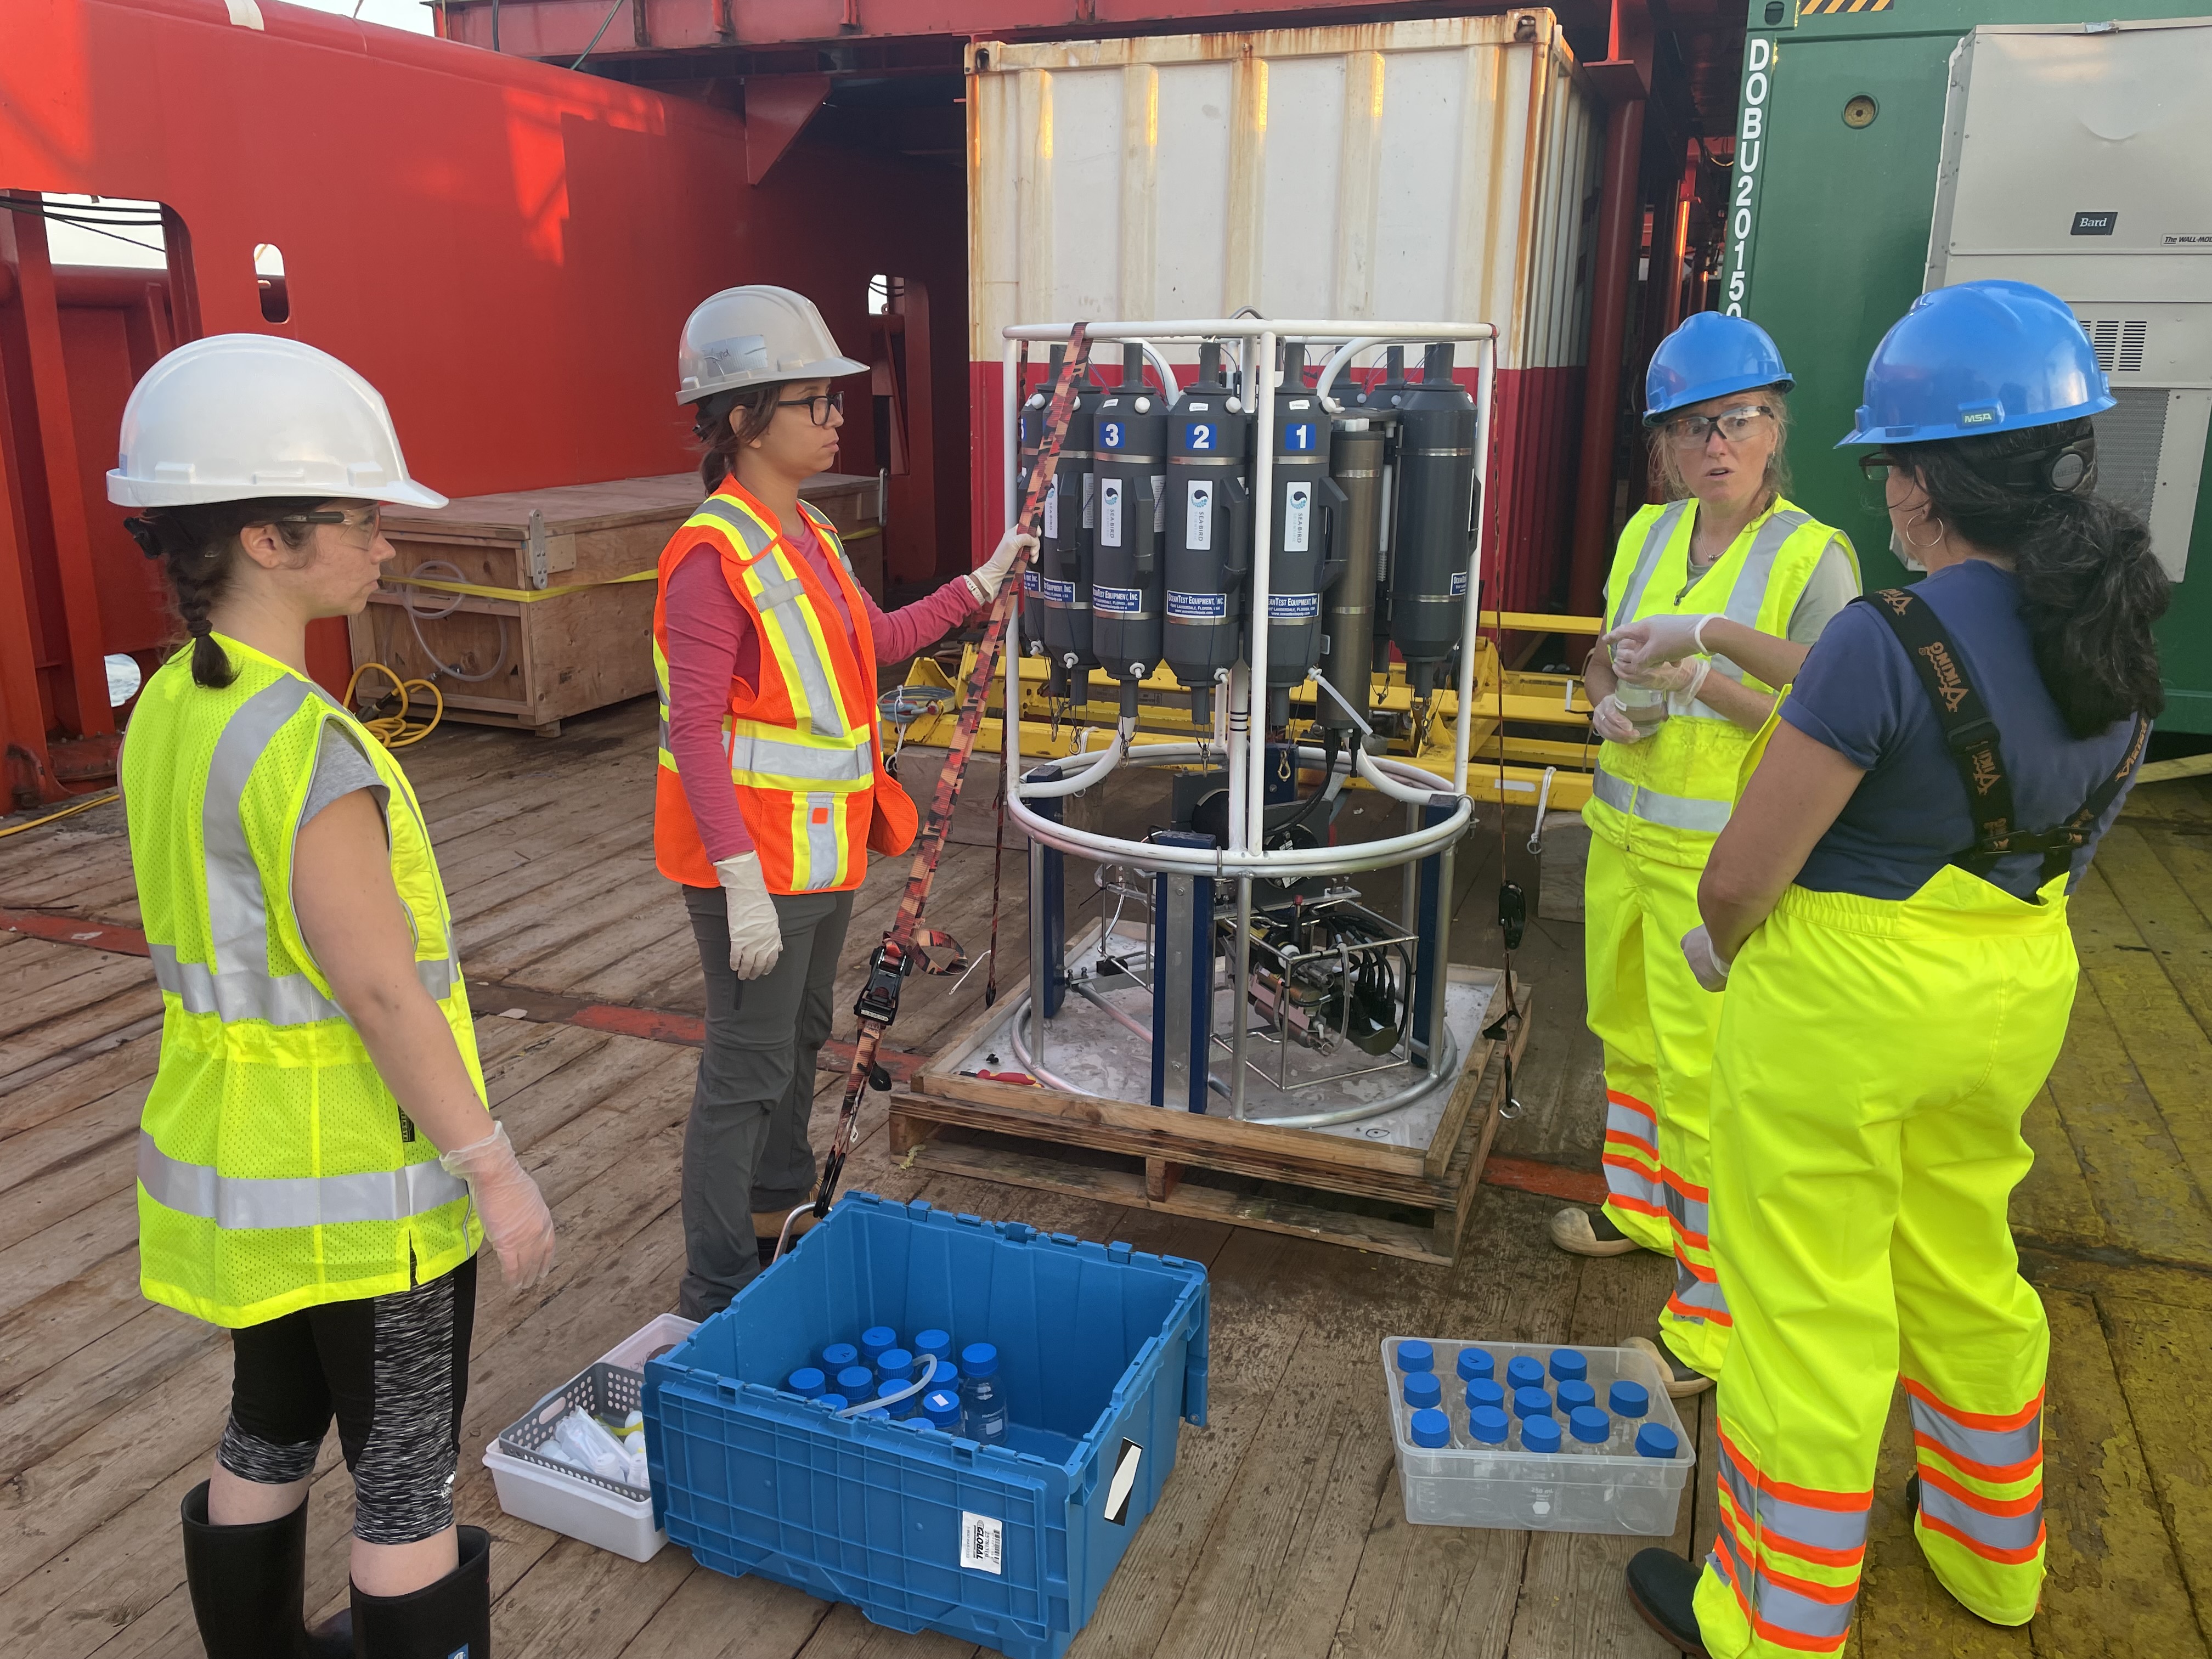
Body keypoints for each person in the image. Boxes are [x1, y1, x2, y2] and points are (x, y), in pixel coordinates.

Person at [1622, 280, 2166, 1657]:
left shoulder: (1888, 640)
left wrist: (1717, 940)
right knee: (1967, 1269)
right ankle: (1992, 1560)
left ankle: (1772, 1616)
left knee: (1809, 1311)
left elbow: (1748, 870)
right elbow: (2072, 834)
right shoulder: (2111, 630)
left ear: (1918, 483)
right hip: (2011, 993)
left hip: (1842, 1018)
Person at [113, 336, 557, 1659]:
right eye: (358, 520)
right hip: (369, 1188)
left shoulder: (170, 715)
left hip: (241, 1167)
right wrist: (495, 1171)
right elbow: (377, 987)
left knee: (267, 1426)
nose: (382, 544)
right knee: (407, 1480)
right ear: (267, 535)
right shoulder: (305, 743)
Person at [656, 286, 1031, 1319]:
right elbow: (694, 731)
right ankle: (714, 1290)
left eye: (833, 402)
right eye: (814, 402)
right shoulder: (709, 556)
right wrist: (736, 883)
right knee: (743, 1068)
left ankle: (779, 1223)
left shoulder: (811, 534)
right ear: (742, 419)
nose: (835, 420)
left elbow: (879, 643)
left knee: (799, 1039)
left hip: (822, 857)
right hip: (752, 870)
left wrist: (979, 583)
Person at [1555, 312, 1859, 1397]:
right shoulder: (1647, 539)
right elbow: (1600, 659)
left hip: (1722, 874)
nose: (1714, 448)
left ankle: (1713, 1320)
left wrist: (1708, 683)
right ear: (1664, 449)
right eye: (1690, 431)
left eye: (1737, 422)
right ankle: (1637, 1210)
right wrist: (1602, 708)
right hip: (1622, 847)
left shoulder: (1815, 561)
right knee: (1626, 1045)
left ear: (1776, 430)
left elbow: (1836, 727)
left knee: (1707, 1090)